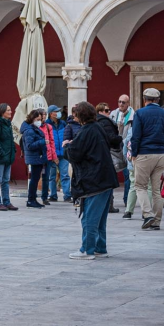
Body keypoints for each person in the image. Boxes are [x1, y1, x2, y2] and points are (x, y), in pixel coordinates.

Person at [64, 102, 118, 260]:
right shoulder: (98, 127)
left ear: (80, 116)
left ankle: (87, 249)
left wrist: (67, 146)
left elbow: (75, 154)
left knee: (89, 217)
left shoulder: (86, 131)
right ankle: (100, 247)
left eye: (75, 115)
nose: (74, 117)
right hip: (106, 178)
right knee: (100, 218)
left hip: (94, 180)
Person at [130, 87, 164, 231]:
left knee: (140, 186)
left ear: (144, 99)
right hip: (162, 154)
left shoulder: (140, 113)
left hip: (144, 153)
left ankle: (148, 215)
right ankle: (156, 221)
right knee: (158, 190)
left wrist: (134, 153)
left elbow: (135, 136)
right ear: (158, 100)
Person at [95, 103, 126, 212]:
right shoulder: (105, 122)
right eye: (106, 110)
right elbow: (111, 138)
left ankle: (106, 205)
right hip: (109, 154)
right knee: (109, 180)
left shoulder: (96, 122)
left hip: (100, 154)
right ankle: (109, 205)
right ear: (100, 112)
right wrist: (120, 138)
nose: (109, 112)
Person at [110, 95, 135, 217]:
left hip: (126, 147)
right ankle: (110, 201)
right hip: (114, 147)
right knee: (111, 174)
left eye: (123, 102)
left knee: (127, 175)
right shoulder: (113, 115)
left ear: (128, 103)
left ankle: (127, 200)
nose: (121, 104)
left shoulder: (133, 116)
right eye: (119, 102)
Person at [0, 103, 16, 212]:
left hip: (8, 157)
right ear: (2, 112)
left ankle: (6, 202)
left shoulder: (8, 123)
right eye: (8, 110)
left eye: (10, 110)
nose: (11, 112)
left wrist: (13, 151)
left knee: (6, 180)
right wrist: (2, 153)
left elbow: (9, 140)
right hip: (0, 157)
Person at [20, 109, 48, 209]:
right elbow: (29, 145)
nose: (39, 121)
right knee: (34, 180)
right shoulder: (29, 131)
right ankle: (31, 199)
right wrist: (43, 142)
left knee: (35, 179)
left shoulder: (33, 129)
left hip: (38, 157)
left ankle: (33, 199)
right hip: (34, 158)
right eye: (37, 119)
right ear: (32, 119)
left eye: (40, 119)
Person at [47, 105, 70, 201]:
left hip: (63, 153)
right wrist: (52, 154)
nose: (58, 113)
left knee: (65, 175)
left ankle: (67, 195)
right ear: (51, 114)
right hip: (52, 154)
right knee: (52, 176)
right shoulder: (47, 125)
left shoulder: (63, 123)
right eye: (56, 111)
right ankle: (53, 195)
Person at [39, 110, 58, 206]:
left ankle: (44, 197)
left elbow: (52, 142)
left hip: (48, 155)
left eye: (45, 115)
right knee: (35, 177)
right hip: (37, 155)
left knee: (46, 177)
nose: (44, 117)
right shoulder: (34, 126)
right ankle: (32, 196)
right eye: (42, 115)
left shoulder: (48, 126)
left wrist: (54, 155)